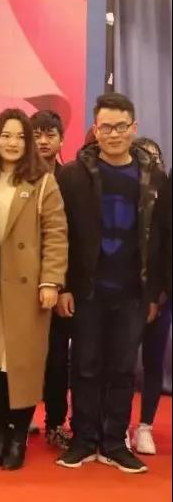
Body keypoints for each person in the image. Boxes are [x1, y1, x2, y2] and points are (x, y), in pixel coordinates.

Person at [56, 93, 166, 474]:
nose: (114, 134)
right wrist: (63, 286)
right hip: (86, 290)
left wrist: (154, 293)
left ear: (134, 128)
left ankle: (115, 442)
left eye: (121, 126)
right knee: (84, 366)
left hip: (133, 292)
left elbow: (161, 239)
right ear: (95, 129)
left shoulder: (154, 178)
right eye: (106, 127)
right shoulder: (73, 175)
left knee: (122, 370)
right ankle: (83, 439)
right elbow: (60, 234)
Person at [0, 109, 68, 471]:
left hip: (27, 288)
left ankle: (17, 438)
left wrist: (51, 281)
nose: (12, 143)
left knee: (21, 366)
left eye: (20, 136)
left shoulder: (43, 183)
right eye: (5, 136)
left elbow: (56, 235)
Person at [29, 109, 72, 449]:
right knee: (22, 357)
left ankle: (56, 422)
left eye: (50, 135)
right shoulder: (18, 177)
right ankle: (17, 419)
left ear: (61, 140)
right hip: (21, 282)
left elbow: (73, 236)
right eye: (37, 135)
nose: (43, 141)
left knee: (57, 358)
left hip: (58, 285)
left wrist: (62, 285)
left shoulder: (71, 179)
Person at [141, 169, 172, 455]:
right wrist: (157, 290)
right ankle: (137, 427)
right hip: (154, 288)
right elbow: (162, 239)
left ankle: (145, 425)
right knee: (144, 359)